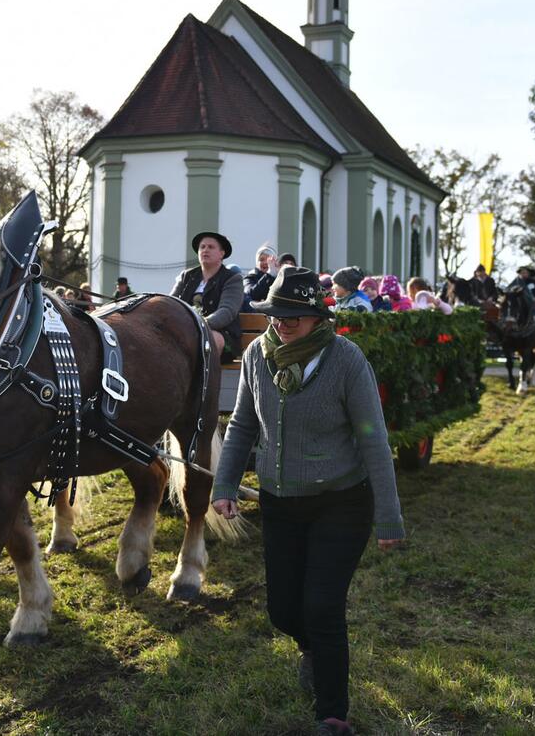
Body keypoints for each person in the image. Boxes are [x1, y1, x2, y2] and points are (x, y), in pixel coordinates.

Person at [211, 265, 405, 736]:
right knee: (283, 610)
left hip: (342, 501)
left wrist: (388, 516)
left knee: (322, 608)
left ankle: (333, 714)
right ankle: (312, 651)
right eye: (276, 313)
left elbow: (373, 438)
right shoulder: (259, 354)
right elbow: (242, 426)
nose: (282, 322)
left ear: (318, 316)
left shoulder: (346, 360)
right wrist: (225, 484)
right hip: (281, 502)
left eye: (293, 313)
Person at [171, 231, 243, 363]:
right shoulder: (186, 276)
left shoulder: (232, 278)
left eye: (211, 247)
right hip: (185, 332)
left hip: (221, 334)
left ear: (222, 254)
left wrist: (200, 324)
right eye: (202, 247)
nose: (205, 250)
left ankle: (202, 383)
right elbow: (170, 304)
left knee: (210, 339)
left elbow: (227, 311)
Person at [242, 244, 278, 312]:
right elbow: (251, 294)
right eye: (261, 259)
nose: (265, 262)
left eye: (268, 260)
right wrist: (268, 275)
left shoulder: (279, 278)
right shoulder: (250, 277)